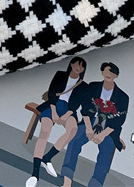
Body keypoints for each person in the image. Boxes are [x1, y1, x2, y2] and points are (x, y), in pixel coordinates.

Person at [60, 62, 129, 187]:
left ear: (116, 76)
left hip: (108, 127)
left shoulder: (123, 97)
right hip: (90, 121)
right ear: (102, 72)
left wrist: (102, 135)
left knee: (107, 151)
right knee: (75, 140)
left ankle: (95, 185)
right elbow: (85, 109)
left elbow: (119, 121)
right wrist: (88, 128)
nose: (109, 74)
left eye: (112, 72)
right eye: (107, 71)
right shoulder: (93, 86)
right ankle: (67, 180)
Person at [25, 57, 87, 187]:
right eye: (77, 64)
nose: (78, 68)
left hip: (68, 110)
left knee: (73, 129)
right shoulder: (60, 75)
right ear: (71, 64)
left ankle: (47, 158)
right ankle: (35, 174)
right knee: (45, 131)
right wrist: (54, 112)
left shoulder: (83, 85)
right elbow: (52, 93)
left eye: (82, 66)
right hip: (52, 106)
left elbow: (76, 103)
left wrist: (66, 115)